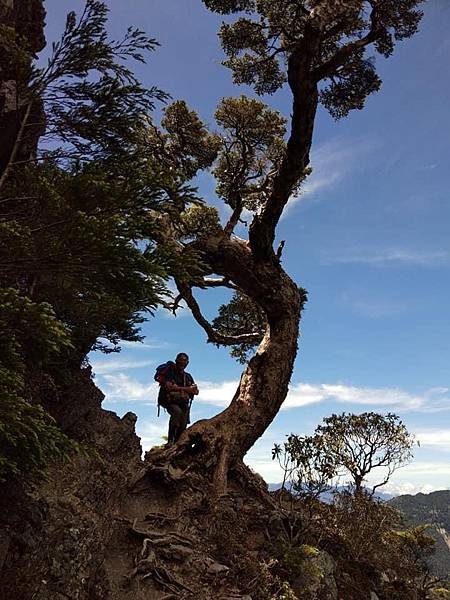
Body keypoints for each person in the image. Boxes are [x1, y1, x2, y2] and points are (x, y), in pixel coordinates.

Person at [160, 352, 199, 446]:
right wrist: (187, 389)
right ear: (176, 360)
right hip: (169, 401)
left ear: (187, 363)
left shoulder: (188, 376)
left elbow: (196, 392)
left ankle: (178, 443)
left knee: (183, 423)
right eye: (181, 360)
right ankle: (170, 440)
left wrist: (192, 389)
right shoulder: (170, 373)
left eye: (185, 360)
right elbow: (168, 387)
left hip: (184, 403)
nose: (183, 362)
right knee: (177, 413)